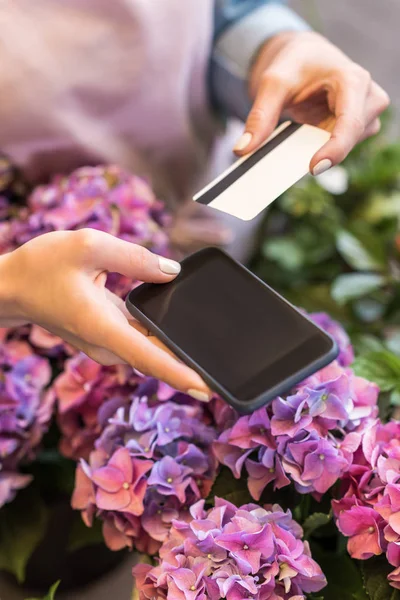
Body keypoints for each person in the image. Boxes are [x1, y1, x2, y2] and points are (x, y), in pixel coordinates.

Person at [0, 0, 389, 394]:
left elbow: (223, 14)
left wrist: (275, 50)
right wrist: (9, 287)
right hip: (54, 311)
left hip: (226, 212)